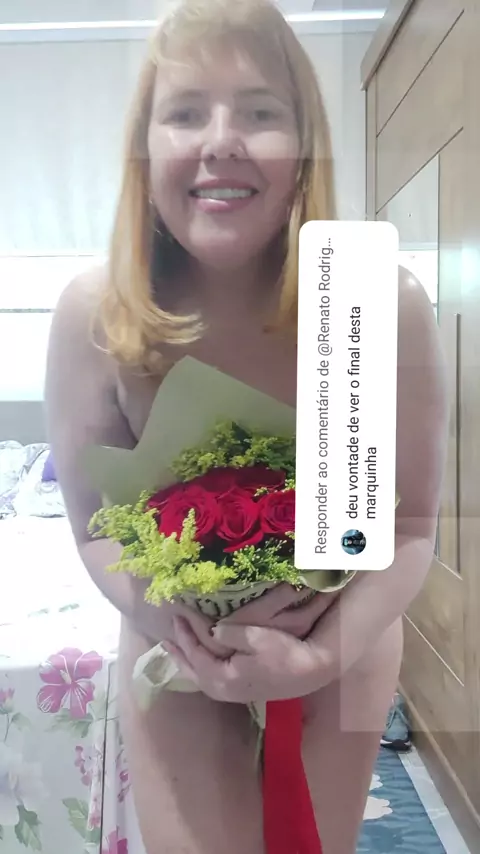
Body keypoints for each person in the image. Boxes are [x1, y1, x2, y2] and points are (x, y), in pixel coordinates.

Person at [45, 1, 448, 851]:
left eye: (260, 112)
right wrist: (183, 633)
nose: (221, 140)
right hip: (174, 641)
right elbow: (94, 531)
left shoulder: (376, 299)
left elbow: (410, 528)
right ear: (144, 147)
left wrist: (322, 656)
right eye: (186, 112)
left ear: (304, 147)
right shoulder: (97, 316)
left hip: (344, 630)